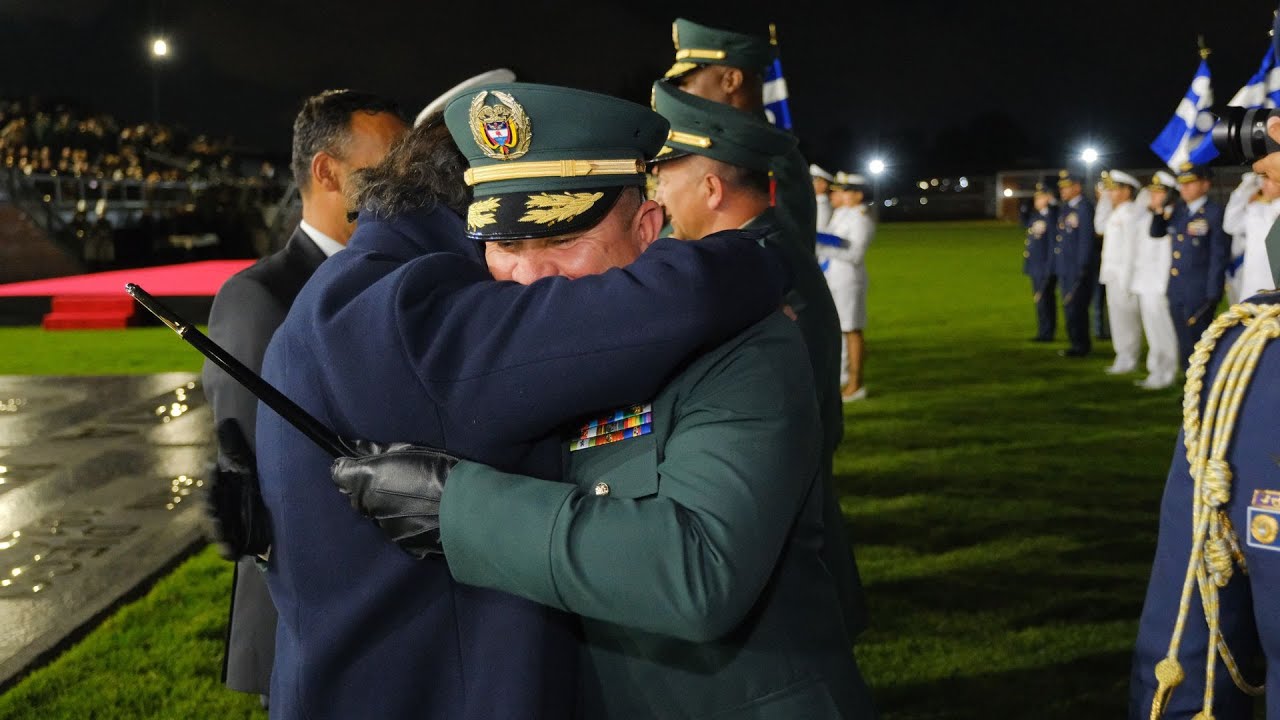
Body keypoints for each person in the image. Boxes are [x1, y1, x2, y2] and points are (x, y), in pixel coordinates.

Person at [330, 80, 878, 720]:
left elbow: (700, 571)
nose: (530, 276)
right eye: (506, 245)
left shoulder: (744, 347)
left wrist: (460, 508)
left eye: (561, 239)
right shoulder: (517, 355)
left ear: (647, 227)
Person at [201, 89, 405, 704]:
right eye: (389, 166)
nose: (406, 182)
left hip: (387, 609)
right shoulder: (259, 297)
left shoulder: (400, 276)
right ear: (327, 173)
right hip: (308, 620)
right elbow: (255, 477)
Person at [650, 79, 868, 646]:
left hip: (774, 579)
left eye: (665, 175)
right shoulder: (762, 257)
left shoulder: (754, 278)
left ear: (713, 188)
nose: (656, 193)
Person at [662, 18, 817, 253]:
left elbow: (779, 260)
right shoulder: (737, 150)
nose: (681, 94)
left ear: (731, 80)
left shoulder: (770, 157)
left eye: (686, 82)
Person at [1153, 163, 1230, 371]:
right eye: (1181, 184)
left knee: (1200, 343)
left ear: (1205, 184)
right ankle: (1190, 389)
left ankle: (1204, 389)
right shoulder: (1179, 211)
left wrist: (1213, 292)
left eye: (1190, 183)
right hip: (1177, 288)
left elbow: (1218, 254)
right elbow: (1156, 232)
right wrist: (1159, 209)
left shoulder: (1214, 212)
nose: (1184, 188)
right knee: (1184, 341)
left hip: (1199, 289)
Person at [823, 171, 874, 400]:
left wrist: (822, 244)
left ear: (858, 195)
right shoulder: (842, 215)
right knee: (839, 329)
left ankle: (856, 384)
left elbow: (854, 253)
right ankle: (844, 377)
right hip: (834, 275)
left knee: (852, 329)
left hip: (849, 279)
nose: (840, 195)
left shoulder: (861, 219)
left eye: (844, 191)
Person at [1131, 172, 1180, 390]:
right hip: (1145, 282)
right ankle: (1155, 370)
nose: (1152, 196)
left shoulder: (1174, 218)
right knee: (1152, 331)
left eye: (1158, 192)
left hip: (1161, 284)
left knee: (1164, 331)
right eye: (1152, 191)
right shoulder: (1149, 217)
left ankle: (1167, 371)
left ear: (1169, 195)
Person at [1097, 170, 1146, 375]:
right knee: (1117, 319)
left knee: (1127, 320)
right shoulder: (1116, 213)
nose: (1110, 193)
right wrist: (1104, 201)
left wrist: (1127, 280)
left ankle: (1129, 358)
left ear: (1127, 191)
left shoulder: (1131, 213)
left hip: (1123, 276)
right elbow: (1099, 226)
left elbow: (1131, 249)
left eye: (1114, 189)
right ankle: (1122, 356)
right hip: (1112, 274)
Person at [1052, 169, 1097, 357]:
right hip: (1066, 266)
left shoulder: (1083, 208)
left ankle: (1080, 346)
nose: (1062, 190)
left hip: (1077, 268)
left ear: (1077, 187)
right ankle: (1075, 343)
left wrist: (1083, 266)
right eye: (1061, 187)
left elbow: (1085, 240)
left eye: (1067, 186)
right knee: (1069, 307)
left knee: (1076, 307)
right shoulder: (1067, 208)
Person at [1223, 170, 1280, 301]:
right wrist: (1245, 188)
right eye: (1263, 179)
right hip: (1252, 288)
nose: (1263, 184)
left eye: (1269, 179)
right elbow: (1230, 225)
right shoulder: (1257, 210)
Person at [1020, 181, 1058, 342]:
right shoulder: (1037, 216)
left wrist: (1049, 267)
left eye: (1040, 197)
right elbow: (1024, 223)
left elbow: (1052, 245)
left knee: (1044, 300)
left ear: (1048, 198)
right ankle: (1043, 331)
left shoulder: (1051, 217)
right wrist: (1024, 208)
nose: (1036, 200)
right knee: (1039, 301)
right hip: (1035, 266)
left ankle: (1047, 333)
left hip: (1044, 266)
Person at [813, 163, 834, 231]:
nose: (811, 182)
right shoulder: (815, 202)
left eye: (815, 179)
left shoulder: (822, 206)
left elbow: (818, 231)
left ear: (824, 185)